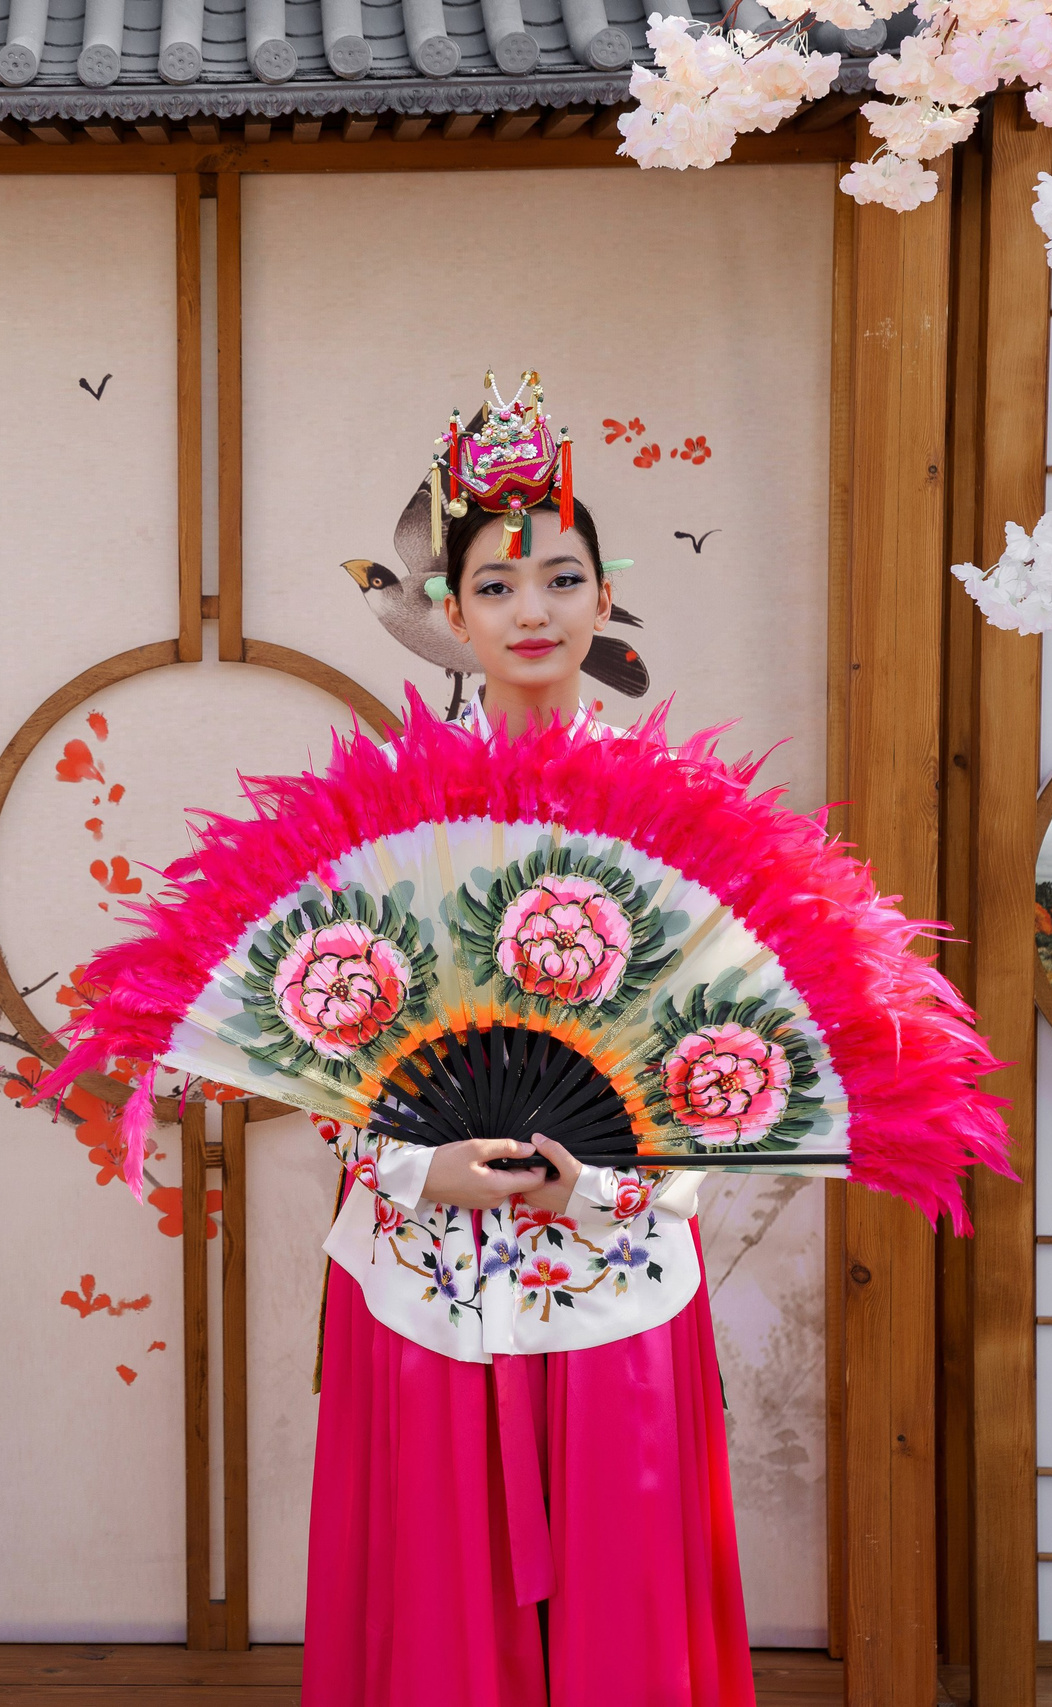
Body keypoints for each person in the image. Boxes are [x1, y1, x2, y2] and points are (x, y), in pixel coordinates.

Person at [300, 376, 755, 1706]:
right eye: (496, 588)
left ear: (607, 599)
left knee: (625, 1613)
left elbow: (732, 1053)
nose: (533, 612)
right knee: (432, 1617)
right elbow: (313, 1030)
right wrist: (405, 1168)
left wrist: (617, 1186)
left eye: (563, 578)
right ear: (448, 615)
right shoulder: (378, 804)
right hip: (426, 1253)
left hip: (610, 1249)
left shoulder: (680, 810)